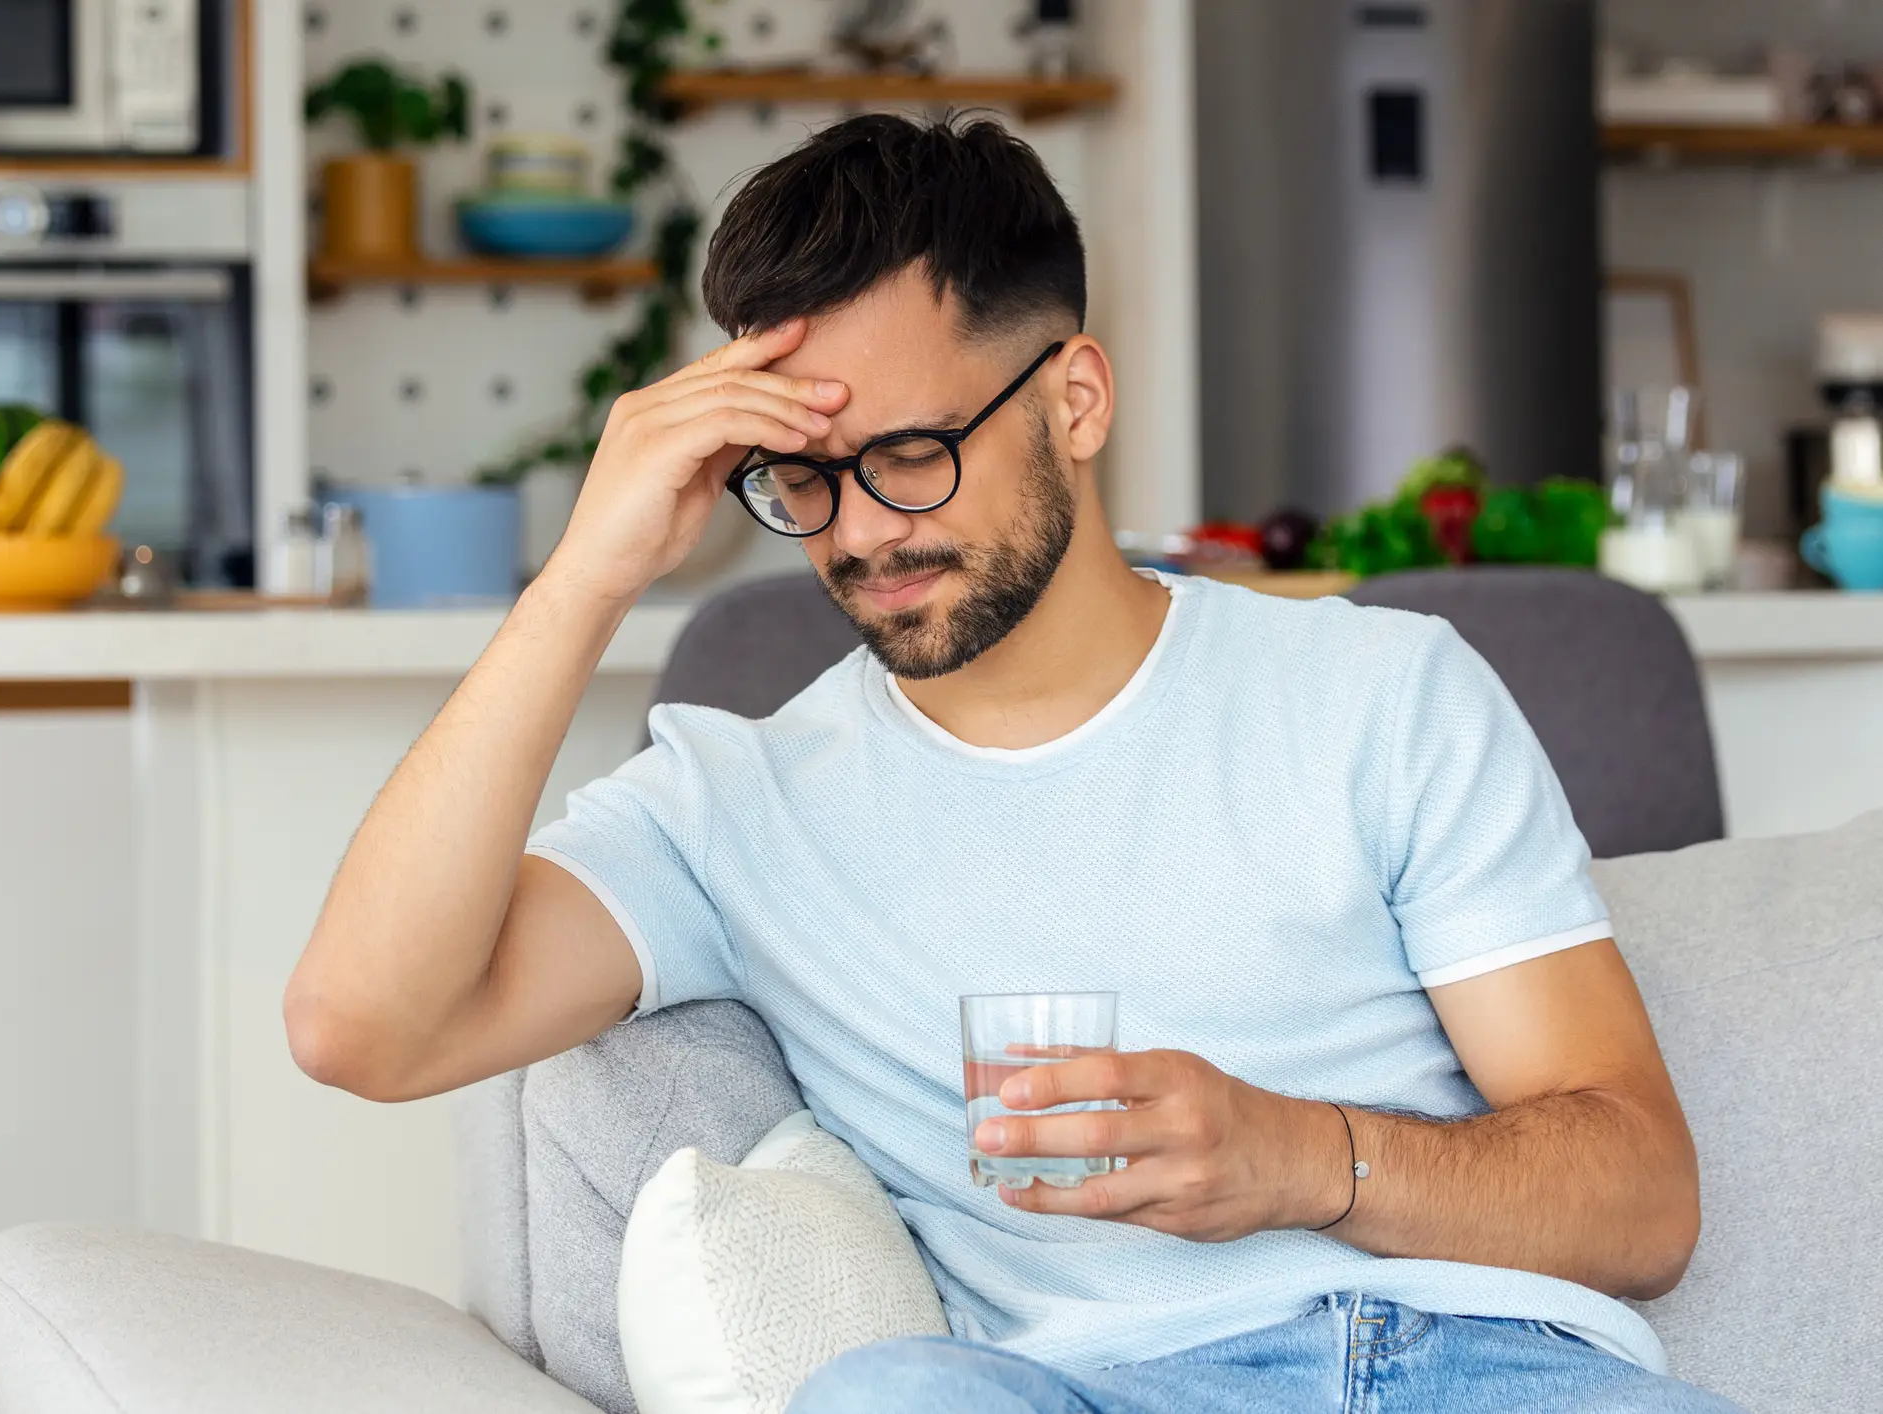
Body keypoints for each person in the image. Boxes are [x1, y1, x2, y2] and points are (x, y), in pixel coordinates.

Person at [284, 114, 1738, 1413]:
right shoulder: (735, 803)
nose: (857, 535)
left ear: (1075, 400)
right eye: (803, 477)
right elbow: (362, 1026)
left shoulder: (1380, 692)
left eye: (910, 452)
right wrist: (586, 574)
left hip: (1477, 1372)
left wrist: (1299, 1157)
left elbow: (1643, 1199)